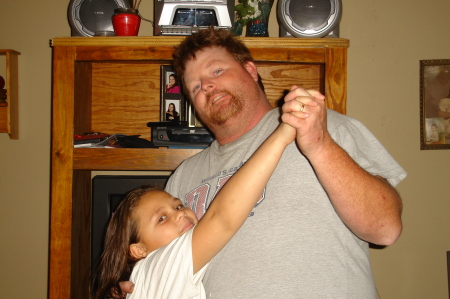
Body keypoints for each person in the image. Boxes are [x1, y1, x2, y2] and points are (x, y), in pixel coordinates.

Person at [120, 28, 406, 298]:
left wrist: (320, 146)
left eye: (217, 71)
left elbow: (385, 228)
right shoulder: (182, 178)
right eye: (194, 87)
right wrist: (139, 285)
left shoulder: (324, 128)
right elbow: (166, 264)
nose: (206, 85)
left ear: (250, 70)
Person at [94, 118, 296, 298]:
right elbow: (222, 219)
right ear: (139, 250)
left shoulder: (148, 278)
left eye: (178, 206)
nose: (180, 213)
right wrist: (282, 136)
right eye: (161, 219)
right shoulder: (163, 265)